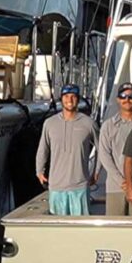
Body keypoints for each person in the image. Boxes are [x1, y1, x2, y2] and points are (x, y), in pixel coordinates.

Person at [35, 83, 98, 216]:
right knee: (57, 231)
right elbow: (43, 149)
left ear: (78, 99)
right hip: (56, 188)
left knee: (81, 230)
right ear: (61, 99)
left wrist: (96, 172)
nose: (69, 100)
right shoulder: (49, 123)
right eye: (66, 96)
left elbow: (101, 148)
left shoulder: (89, 123)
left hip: (80, 187)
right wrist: (39, 170)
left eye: (73, 96)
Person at [97, 82, 132, 216]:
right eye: (123, 96)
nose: (127, 100)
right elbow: (104, 155)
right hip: (115, 187)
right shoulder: (108, 125)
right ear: (118, 99)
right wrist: (123, 182)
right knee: (114, 231)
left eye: (131, 96)